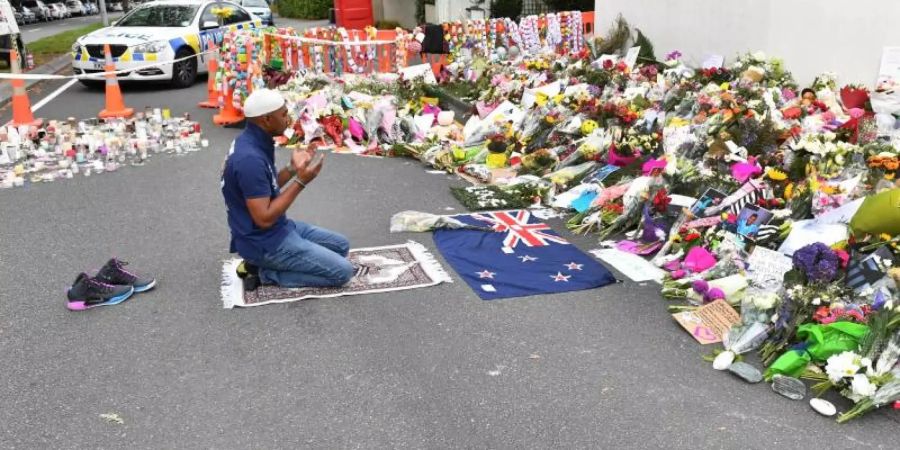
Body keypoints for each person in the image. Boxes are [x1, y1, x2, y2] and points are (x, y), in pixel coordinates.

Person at [221, 89, 354, 289]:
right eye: (283, 115)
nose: (288, 119)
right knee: (341, 272)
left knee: (341, 246)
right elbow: (264, 219)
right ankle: (265, 272)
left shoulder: (253, 140)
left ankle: (264, 263)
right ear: (266, 119)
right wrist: (300, 181)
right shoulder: (249, 159)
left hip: (277, 229)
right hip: (263, 242)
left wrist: (292, 169)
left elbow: (265, 186)